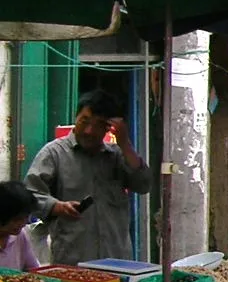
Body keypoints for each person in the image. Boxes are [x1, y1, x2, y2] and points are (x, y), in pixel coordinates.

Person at [26, 89, 153, 265]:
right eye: (84, 121)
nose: (89, 131)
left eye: (98, 125)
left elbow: (143, 185)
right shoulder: (54, 153)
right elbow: (30, 195)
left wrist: (125, 143)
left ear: (109, 127)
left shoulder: (116, 155)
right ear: (76, 118)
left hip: (117, 262)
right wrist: (57, 207)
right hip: (72, 262)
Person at [0, 182, 42, 271]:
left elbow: (34, 270)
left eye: (26, 217)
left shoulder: (20, 235)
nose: (23, 223)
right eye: (16, 219)